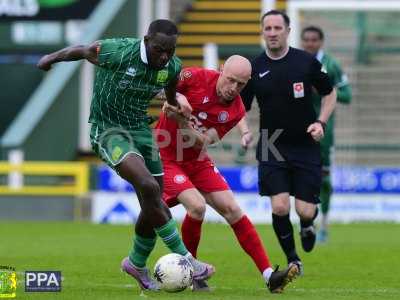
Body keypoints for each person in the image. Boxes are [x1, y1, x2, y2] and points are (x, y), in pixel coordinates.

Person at [37, 19, 214, 291]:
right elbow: (81, 50)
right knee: (147, 185)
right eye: (159, 49)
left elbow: (169, 86)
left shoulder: (172, 66)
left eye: (170, 50)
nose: (164, 56)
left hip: (142, 131)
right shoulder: (116, 52)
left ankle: (136, 263)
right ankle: (188, 260)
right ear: (146, 40)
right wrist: (51, 58)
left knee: (152, 201)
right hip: (108, 130)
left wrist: (175, 103)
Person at [155, 55, 298, 293]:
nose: (233, 88)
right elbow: (163, 87)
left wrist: (182, 122)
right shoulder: (195, 77)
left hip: (197, 159)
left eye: (241, 84)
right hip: (166, 156)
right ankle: (193, 272)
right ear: (221, 70)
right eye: (230, 80)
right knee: (196, 207)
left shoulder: (235, 109)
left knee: (232, 209)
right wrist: (178, 98)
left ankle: (269, 276)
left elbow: (202, 142)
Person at [240, 10, 337, 275]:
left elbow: (330, 93)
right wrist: (244, 130)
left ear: (287, 30)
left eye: (277, 28)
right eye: (267, 28)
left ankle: (308, 225)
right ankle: (294, 259)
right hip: (271, 144)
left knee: (305, 211)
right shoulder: (254, 68)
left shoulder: (306, 62)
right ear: (262, 31)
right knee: (280, 206)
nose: (272, 33)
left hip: (305, 144)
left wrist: (321, 123)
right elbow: (240, 106)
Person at [301, 26, 352, 243]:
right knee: (302, 178)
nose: (310, 44)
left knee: (324, 181)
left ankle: (324, 225)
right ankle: (307, 222)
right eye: (307, 40)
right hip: (299, 130)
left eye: (314, 40)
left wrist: (324, 89)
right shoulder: (298, 62)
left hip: (324, 133)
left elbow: (347, 95)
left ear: (321, 42)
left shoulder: (331, 65)